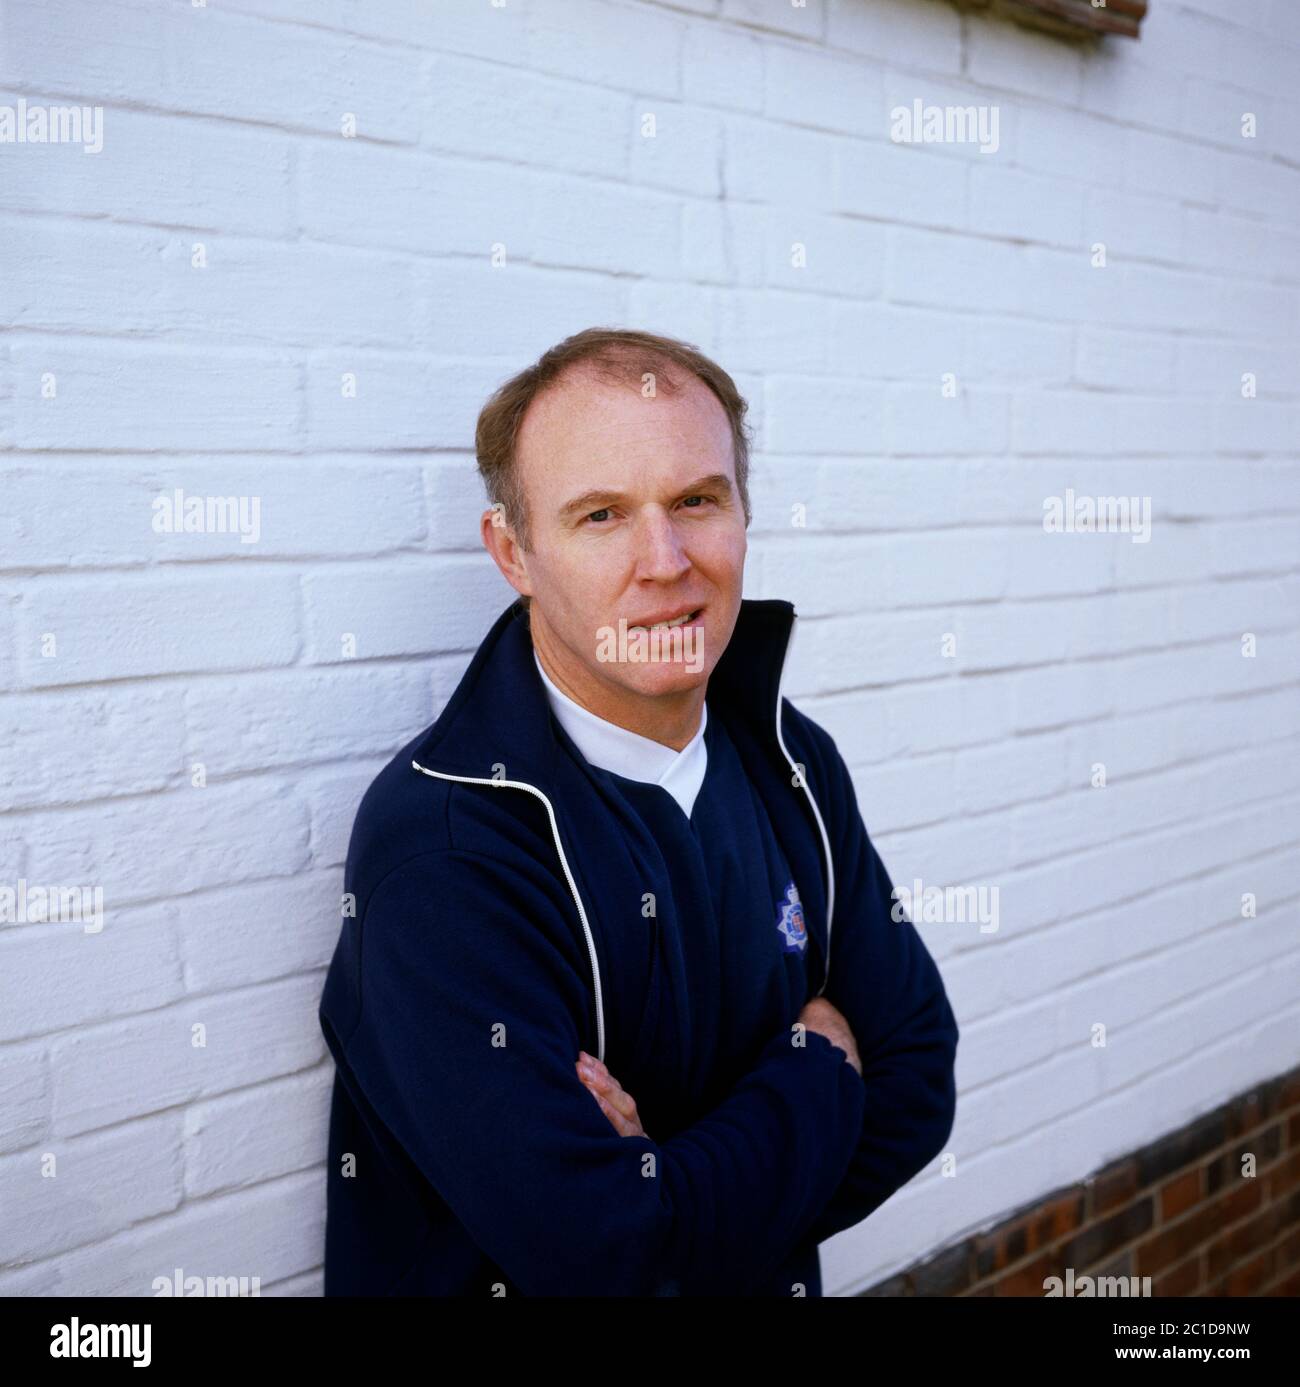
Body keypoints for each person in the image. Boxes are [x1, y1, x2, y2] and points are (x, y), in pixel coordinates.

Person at [318, 327, 959, 1296]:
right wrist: (822, 1061)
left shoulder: (791, 765)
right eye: (602, 515)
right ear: (514, 552)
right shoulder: (443, 852)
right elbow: (607, 1252)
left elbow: (916, 1082)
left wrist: (671, 1190)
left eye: (697, 500)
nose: (664, 560)